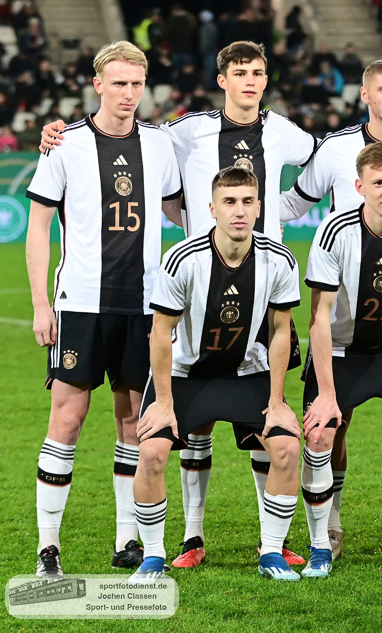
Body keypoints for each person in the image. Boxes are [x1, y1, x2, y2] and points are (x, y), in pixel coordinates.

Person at [38, 40, 317, 569]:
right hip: (187, 288)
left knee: (266, 418)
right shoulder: (182, 132)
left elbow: (327, 158)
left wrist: (283, 208)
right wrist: (59, 130)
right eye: (240, 72)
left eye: (258, 73)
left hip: (261, 286)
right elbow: (129, 143)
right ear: (222, 79)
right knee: (191, 420)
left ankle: (273, 542)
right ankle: (189, 536)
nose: (250, 81)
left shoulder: (282, 131)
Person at [25, 41, 182, 577]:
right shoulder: (64, 143)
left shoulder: (159, 144)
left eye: (136, 83)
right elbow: (39, 228)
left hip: (144, 307)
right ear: (98, 85)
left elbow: (176, 207)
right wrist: (41, 304)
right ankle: (48, 549)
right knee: (67, 419)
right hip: (81, 305)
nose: (128, 93)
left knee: (133, 421)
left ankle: (127, 540)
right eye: (118, 83)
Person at [281, 59, 382, 560]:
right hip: (342, 332)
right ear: (365, 94)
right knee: (328, 427)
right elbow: (291, 204)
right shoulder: (333, 153)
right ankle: (327, 529)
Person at [130, 167, 302, 583]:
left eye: (247, 201)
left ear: (259, 208)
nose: (239, 211)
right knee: (151, 453)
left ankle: (272, 551)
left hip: (247, 372)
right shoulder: (183, 259)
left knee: (286, 449)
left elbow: (281, 331)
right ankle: (152, 557)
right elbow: (160, 333)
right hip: (187, 375)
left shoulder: (279, 260)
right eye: (229, 202)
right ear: (212, 209)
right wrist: (164, 402)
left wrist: (277, 401)